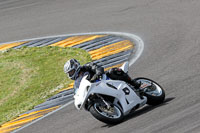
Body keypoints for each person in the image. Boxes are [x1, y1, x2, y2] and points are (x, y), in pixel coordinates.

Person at [63, 59, 141, 92]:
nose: (71, 74)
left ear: (76, 66)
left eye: (71, 71)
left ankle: (135, 84)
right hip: (96, 89)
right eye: (69, 73)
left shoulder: (87, 66)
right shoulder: (76, 83)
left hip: (104, 80)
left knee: (113, 71)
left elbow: (97, 67)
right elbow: (77, 92)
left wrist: (97, 74)